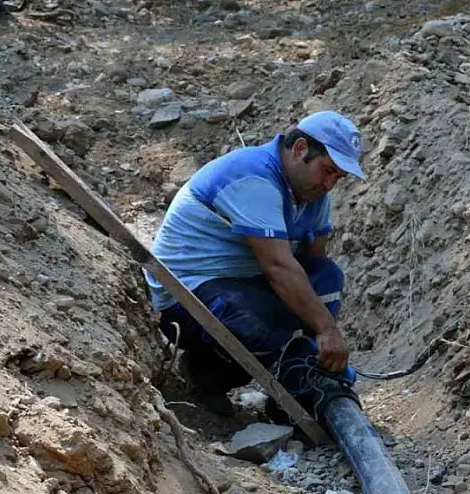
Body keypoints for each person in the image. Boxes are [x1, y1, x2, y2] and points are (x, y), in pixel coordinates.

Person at [146, 110, 366, 414]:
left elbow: (312, 263)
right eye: (327, 170)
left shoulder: (312, 193)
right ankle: (207, 373)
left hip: (241, 282)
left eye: (337, 177)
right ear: (300, 149)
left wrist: (312, 336)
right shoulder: (252, 175)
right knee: (261, 324)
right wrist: (326, 329)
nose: (329, 184)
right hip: (186, 293)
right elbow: (278, 268)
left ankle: (301, 378)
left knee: (326, 278)